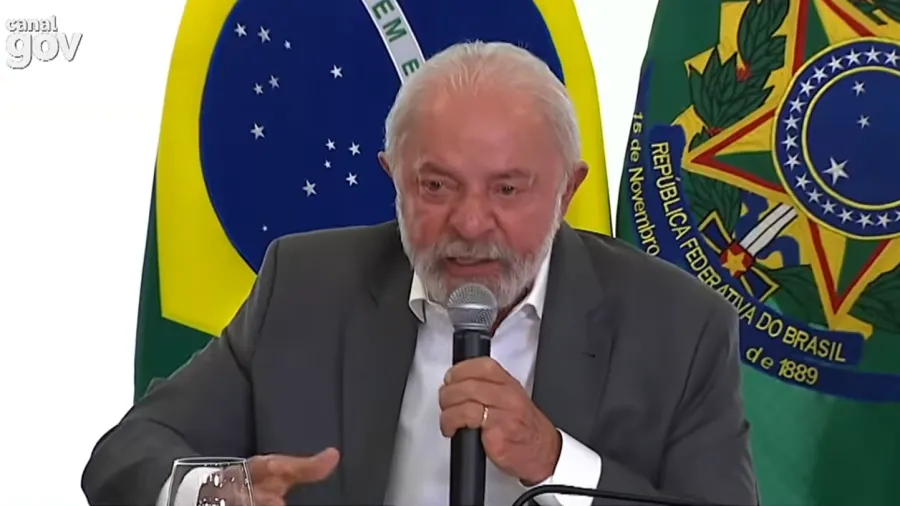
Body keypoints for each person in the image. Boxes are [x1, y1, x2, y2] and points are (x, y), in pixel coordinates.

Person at [81, 41, 759, 506]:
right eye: (435, 186)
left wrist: (554, 461)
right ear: (393, 178)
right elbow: (127, 454)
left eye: (507, 190)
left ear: (568, 191)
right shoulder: (306, 286)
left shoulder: (679, 325)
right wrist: (214, 492)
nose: (470, 223)